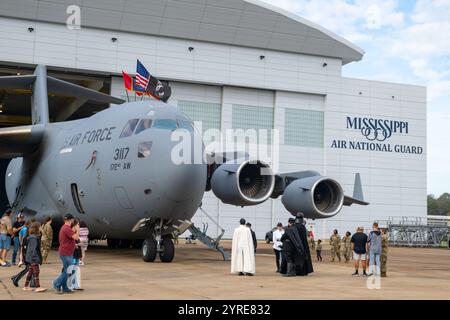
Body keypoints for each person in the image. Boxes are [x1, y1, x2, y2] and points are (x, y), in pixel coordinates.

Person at [52, 213, 80, 294]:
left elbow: (68, 240)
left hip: (67, 252)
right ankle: (56, 283)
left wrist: (74, 245)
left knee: (66, 270)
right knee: (68, 271)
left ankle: (65, 288)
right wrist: (78, 230)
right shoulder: (67, 228)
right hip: (66, 253)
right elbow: (76, 237)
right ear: (71, 220)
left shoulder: (65, 228)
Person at [22, 222, 46, 292]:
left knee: (31, 272)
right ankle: (38, 287)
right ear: (37, 228)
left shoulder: (32, 237)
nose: (41, 228)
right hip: (33, 258)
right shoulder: (34, 238)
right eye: (40, 227)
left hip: (30, 258)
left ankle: (25, 286)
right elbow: (33, 250)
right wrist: (35, 259)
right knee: (36, 271)